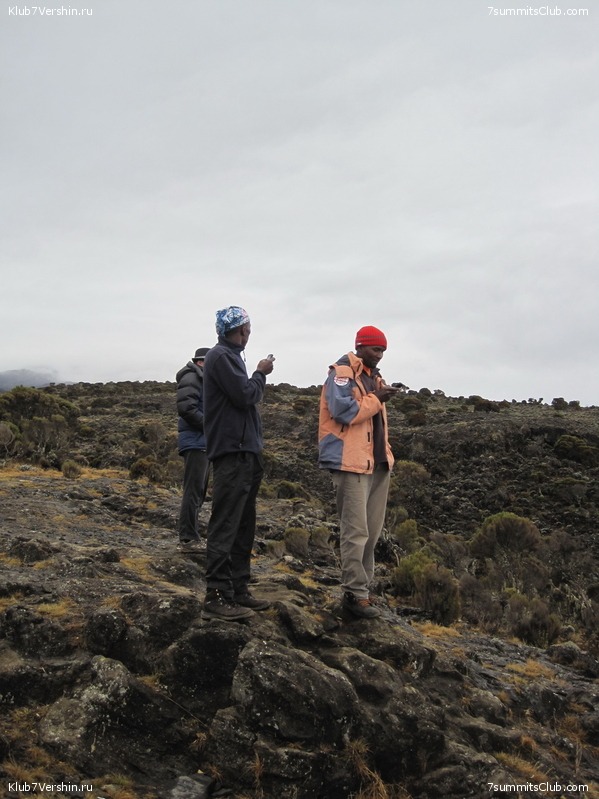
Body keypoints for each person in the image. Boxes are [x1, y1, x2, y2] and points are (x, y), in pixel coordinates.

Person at [318, 325, 400, 619]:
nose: (379, 356)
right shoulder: (342, 372)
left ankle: (363, 590)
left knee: (372, 533)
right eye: (376, 350)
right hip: (350, 462)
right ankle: (353, 595)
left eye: (383, 351)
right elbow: (344, 411)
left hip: (376, 464)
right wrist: (378, 398)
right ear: (360, 346)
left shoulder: (374, 377)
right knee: (356, 532)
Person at [201, 306, 274, 621]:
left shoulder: (229, 356)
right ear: (235, 330)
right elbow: (246, 396)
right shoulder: (221, 357)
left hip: (245, 452)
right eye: (244, 328)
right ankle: (216, 595)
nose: (247, 334)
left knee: (244, 524)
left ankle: (238, 589)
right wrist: (260, 373)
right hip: (233, 452)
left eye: (248, 328)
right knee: (227, 523)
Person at [176, 347, 211, 552]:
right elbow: (187, 408)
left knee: (198, 491)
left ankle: (191, 536)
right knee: (193, 491)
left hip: (202, 442)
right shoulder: (192, 377)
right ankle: (188, 538)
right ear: (201, 362)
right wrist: (210, 426)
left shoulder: (200, 378)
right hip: (196, 442)